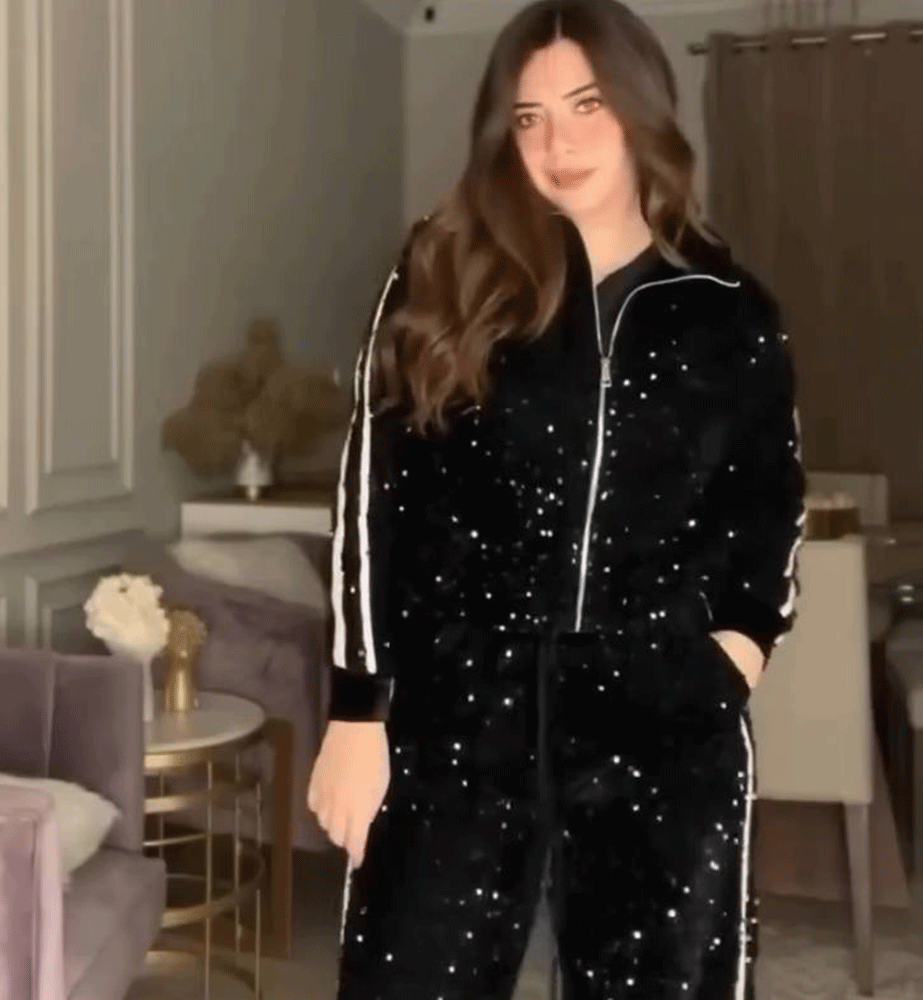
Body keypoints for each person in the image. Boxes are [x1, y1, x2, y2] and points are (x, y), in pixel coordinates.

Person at [307, 1, 806, 997]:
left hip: (660, 711)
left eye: (587, 105)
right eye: (529, 118)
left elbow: (767, 506)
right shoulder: (444, 274)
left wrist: (736, 653)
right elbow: (372, 494)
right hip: (460, 711)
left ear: (641, 109)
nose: (557, 143)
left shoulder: (728, 311)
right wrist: (358, 707)